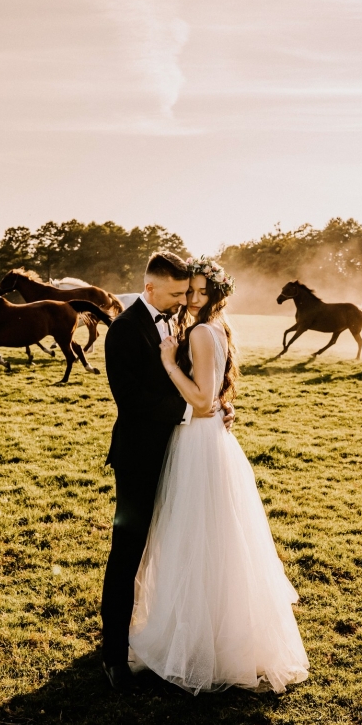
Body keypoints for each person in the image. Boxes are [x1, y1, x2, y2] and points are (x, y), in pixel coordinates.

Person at [127, 257, 308, 694]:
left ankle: (204, 645)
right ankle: (202, 634)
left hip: (199, 441)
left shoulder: (203, 333)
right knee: (207, 536)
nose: (190, 298)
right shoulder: (211, 329)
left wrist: (170, 362)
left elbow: (205, 402)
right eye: (188, 290)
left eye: (199, 293)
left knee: (198, 537)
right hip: (203, 440)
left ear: (215, 297)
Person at [99, 252, 233, 693]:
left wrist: (217, 407)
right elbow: (132, 399)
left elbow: (203, 372)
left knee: (179, 546)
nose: (185, 301)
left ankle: (169, 633)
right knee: (129, 551)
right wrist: (196, 411)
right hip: (141, 457)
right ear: (150, 287)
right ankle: (114, 654)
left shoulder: (181, 320)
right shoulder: (122, 331)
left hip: (185, 455)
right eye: (177, 293)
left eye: (189, 292)